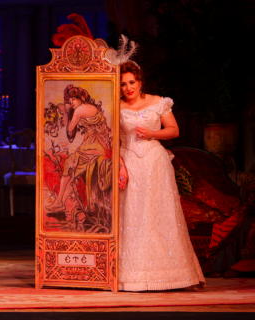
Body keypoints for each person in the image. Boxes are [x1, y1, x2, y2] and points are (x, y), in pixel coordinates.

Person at [118, 60, 205, 291]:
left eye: (132, 82)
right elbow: (111, 141)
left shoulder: (158, 102)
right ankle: (131, 276)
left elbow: (174, 130)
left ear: (140, 81)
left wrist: (152, 133)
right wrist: (120, 166)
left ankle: (172, 276)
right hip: (129, 162)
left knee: (159, 214)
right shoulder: (115, 107)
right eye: (123, 84)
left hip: (155, 163)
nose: (128, 88)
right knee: (133, 216)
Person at [45, 85, 112, 232]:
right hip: (96, 145)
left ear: (81, 98)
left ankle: (59, 201)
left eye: (74, 98)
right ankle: (61, 201)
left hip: (94, 147)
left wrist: (68, 112)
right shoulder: (91, 107)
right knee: (70, 165)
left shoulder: (80, 109)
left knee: (69, 162)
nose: (72, 101)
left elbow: (69, 132)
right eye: (70, 99)